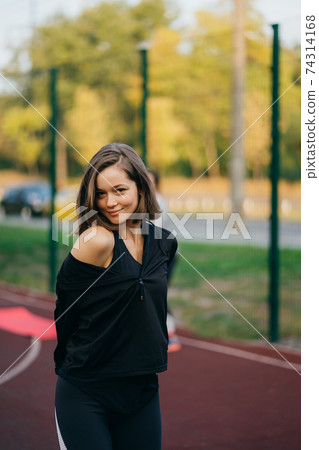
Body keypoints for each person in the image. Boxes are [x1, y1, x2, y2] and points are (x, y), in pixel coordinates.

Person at [53, 143, 178, 450]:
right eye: (100, 193)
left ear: (140, 187)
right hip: (87, 391)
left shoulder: (165, 243)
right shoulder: (96, 241)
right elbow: (65, 311)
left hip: (143, 391)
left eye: (120, 189)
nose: (110, 202)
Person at [148, 169, 181, 353]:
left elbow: (152, 232)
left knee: (158, 294)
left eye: (151, 181)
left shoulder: (159, 202)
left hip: (165, 255)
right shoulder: (143, 201)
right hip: (154, 256)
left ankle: (171, 336)